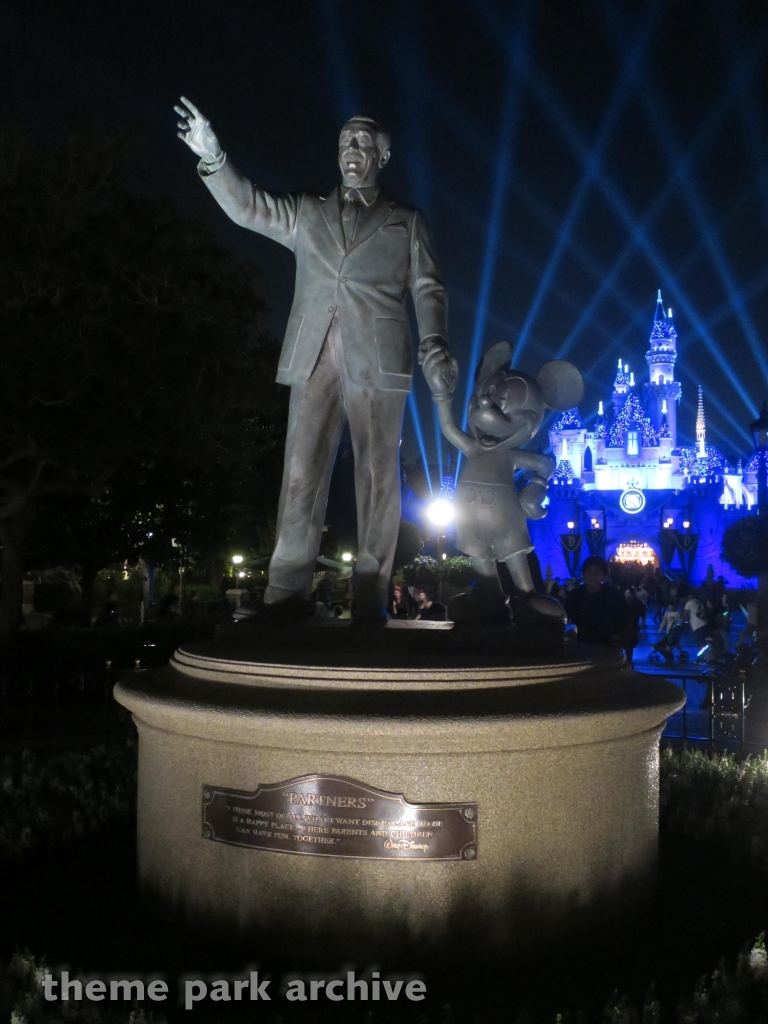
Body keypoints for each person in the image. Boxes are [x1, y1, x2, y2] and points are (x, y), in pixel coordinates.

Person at [176, 99, 455, 621]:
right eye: (346, 140)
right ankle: (284, 595)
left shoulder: (406, 222)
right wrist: (214, 159)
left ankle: (371, 597)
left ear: (383, 156)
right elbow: (248, 208)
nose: (353, 150)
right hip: (314, 355)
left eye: (364, 142)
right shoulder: (307, 213)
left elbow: (429, 288)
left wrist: (434, 341)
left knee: (376, 477)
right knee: (300, 472)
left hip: (379, 357)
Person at [565, 556, 627, 646]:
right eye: (589, 572)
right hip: (580, 644)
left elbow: (623, 620)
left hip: (606, 646)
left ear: (604, 576)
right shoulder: (575, 595)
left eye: (597, 573)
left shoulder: (614, 596)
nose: (592, 576)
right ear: (583, 575)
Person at [621, 587, 645, 667]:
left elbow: (643, 614)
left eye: (629, 593)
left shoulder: (638, 603)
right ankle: (626, 661)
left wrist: (642, 623)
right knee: (624, 645)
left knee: (629, 646)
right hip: (622, 627)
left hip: (632, 627)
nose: (628, 595)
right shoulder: (621, 602)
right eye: (627, 593)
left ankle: (628, 661)